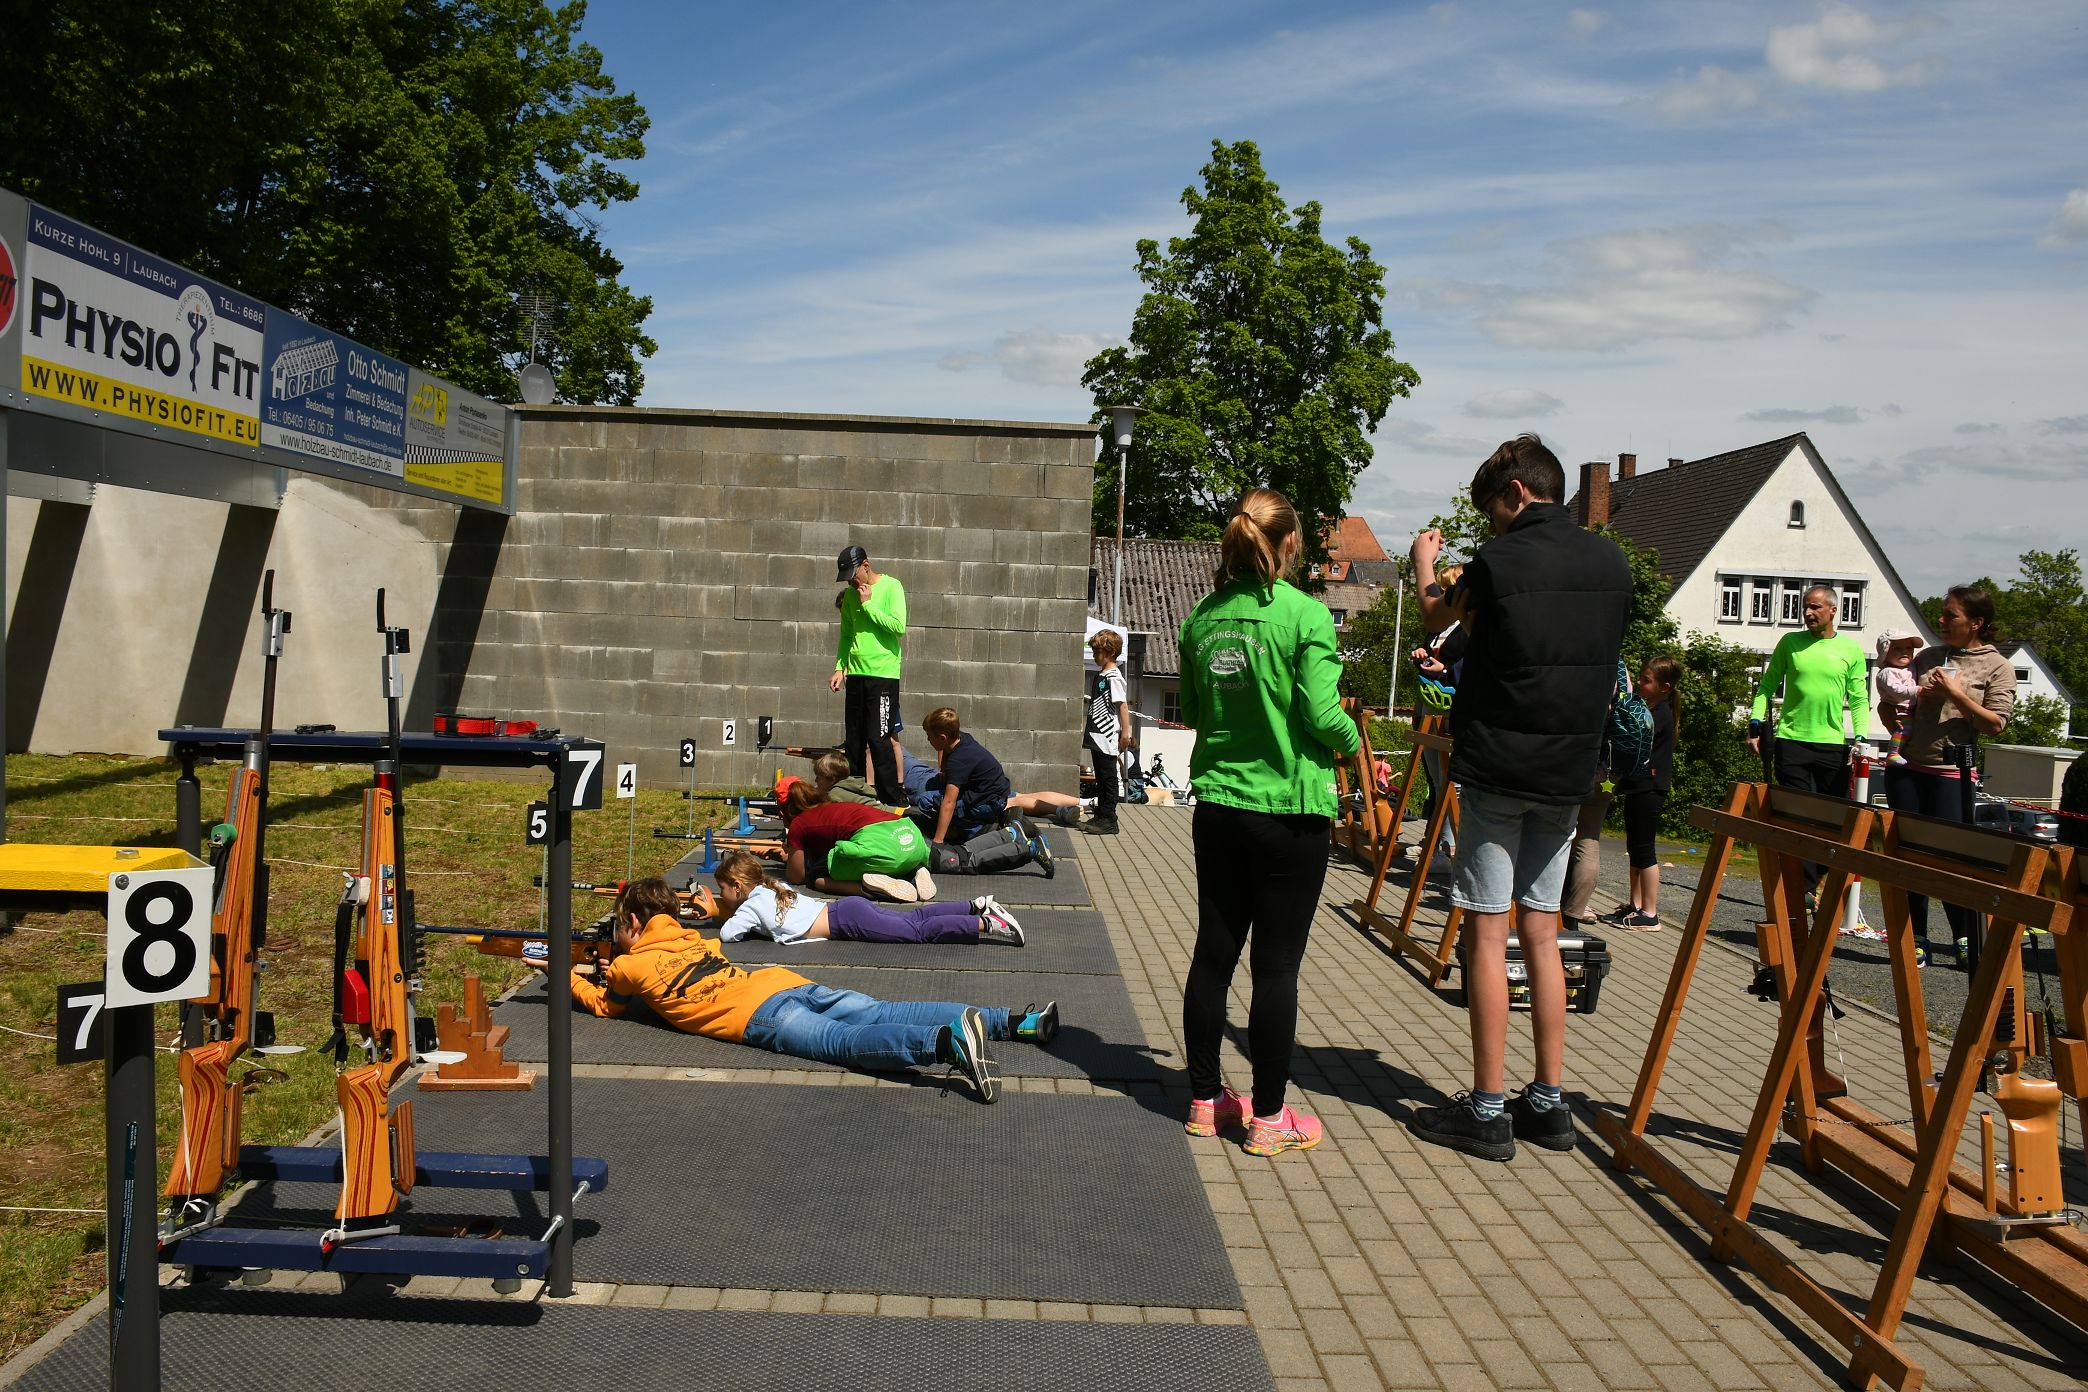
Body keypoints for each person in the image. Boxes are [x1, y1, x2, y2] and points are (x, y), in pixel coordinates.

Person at [1406, 435, 1631, 1162]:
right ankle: (1550, 1102)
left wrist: (1423, 564)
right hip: (1569, 773)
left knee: (1483, 930)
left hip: (1502, 767)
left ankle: (1488, 1107)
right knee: (1543, 931)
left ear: (1513, 495)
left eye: (1491, 512)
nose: (1492, 527)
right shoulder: (1610, 560)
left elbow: (1440, 616)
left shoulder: (1498, 561)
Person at [1178, 486, 1358, 1158]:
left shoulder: (1200, 618)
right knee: (1276, 969)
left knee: (1213, 954)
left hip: (1220, 806)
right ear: (1287, 544)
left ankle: (1204, 1100)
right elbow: (1320, 714)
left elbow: (1194, 710)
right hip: (1290, 810)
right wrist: (1351, 743)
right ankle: (1269, 1118)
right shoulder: (1306, 616)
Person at [570, 878, 1059, 1103]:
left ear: (632, 922)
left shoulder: (630, 966)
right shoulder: (693, 938)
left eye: (619, 926)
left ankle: (945, 1042)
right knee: (886, 1008)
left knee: (844, 1044)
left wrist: (567, 975)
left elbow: (605, 1006)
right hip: (782, 982)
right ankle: (1016, 1021)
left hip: (760, 1018)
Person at [1882, 587, 2014, 967]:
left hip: (1950, 775)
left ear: (1976, 623)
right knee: (1908, 859)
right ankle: (1914, 937)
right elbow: (1899, 704)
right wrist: (1891, 715)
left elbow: (1995, 725)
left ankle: (1964, 936)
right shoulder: (1926, 658)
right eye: (1941, 614)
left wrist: (1956, 694)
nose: (1941, 621)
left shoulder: (1997, 667)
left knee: (1952, 861)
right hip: (1907, 770)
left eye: (1950, 616)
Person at [1747, 584, 1868, 905]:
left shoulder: (1851, 650)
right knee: (1798, 816)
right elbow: (1767, 686)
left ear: (1832, 611)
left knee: (1834, 819)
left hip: (1831, 744)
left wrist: (1862, 737)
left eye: (1815, 607)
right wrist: (1755, 725)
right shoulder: (1791, 643)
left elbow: (1858, 698)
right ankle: (1804, 889)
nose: (1808, 613)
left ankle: (1812, 879)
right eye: (1805, 607)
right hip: (1792, 740)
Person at [813, 751, 1053, 877]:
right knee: (960, 851)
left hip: (896, 829)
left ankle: (1024, 846)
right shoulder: (852, 786)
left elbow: (840, 840)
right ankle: (1012, 831)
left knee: (957, 858)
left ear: (831, 779)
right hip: (898, 822)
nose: (815, 782)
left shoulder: (834, 797)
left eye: (818, 778)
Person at [710, 850, 1024, 946]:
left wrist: (715, 910)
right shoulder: (768, 886)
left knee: (916, 933)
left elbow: (728, 934)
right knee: (914, 918)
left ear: (738, 886)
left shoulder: (751, 904)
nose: (722, 895)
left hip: (847, 920)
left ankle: (985, 924)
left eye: (723, 889)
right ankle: (977, 904)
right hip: (845, 910)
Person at [914, 706, 1081, 844]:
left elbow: (949, 802)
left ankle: (977, 830)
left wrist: (938, 841)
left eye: (929, 737)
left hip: (988, 802)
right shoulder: (962, 738)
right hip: (996, 791)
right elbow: (945, 750)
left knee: (926, 800)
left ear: (943, 737)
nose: (928, 740)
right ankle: (1063, 809)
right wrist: (943, 771)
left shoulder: (959, 760)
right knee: (1017, 798)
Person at [1602, 656, 1681, 931]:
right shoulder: (1650, 709)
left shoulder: (1658, 715)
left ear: (1664, 686)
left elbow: (1633, 732)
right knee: (1634, 847)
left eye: (1646, 680)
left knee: (1645, 849)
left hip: (1650, 788)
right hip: (1638, 786)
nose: (1639, 684)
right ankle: (1635, 906)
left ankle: (1650, 912)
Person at [829, 544, 906, 804]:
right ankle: (856, 795)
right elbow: (846, 636)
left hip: (883, 675)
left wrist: (869, 605)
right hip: (857, 675)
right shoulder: (850, 597)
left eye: (854, 575)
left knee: (879, 739)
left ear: (866, 565)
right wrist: (840, 668)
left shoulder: (892, 587)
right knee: (854, 740)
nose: (852, 581)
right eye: (847, 578)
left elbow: (898, 626)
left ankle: (890, 800)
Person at [778, 779, 936, 902]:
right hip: (910, 840)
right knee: (863, 857)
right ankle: (913, 872)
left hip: (882, 848)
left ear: (786, 810)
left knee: (815, 877)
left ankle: (868, 889)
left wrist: (790, 859)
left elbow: (796, 877)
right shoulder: (832, 807)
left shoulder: (798, 824)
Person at [1408, 561, 1467, 876]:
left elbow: (1465, 665)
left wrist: (1443, 669)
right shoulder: (1439, 627)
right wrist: (1421, 655)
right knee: (1435, 779)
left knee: (1450, 783)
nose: (1441, 595)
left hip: (1451, 712)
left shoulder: (1467, 626)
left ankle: (1446, 848)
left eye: (1445, 590)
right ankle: (1435, 840)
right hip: (1430, 707)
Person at [1084, 630, 1131, 835]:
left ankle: (1110, 818)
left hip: (1107, 734)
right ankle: (1101, 814)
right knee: (1100, 776)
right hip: (1095, 733)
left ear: (1110, 652)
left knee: (1109, 776)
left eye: (1098, 652)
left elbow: (1122, 706)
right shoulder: (1101, 675)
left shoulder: (1114, 677)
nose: (1095, 656)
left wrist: (1125, 734)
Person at [1873, 629, 1922, 765]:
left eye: (1908, 648)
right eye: (1897, 649)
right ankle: (1893, 753)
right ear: (1885, 653)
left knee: (1910, 731)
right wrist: (1918, 690)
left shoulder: (1911, 666)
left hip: (1909, 708)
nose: (1904, 652)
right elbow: (1897, 691)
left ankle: (1901, 751)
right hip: (1896, 708)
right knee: (1903, 728)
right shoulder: (1887, 672)